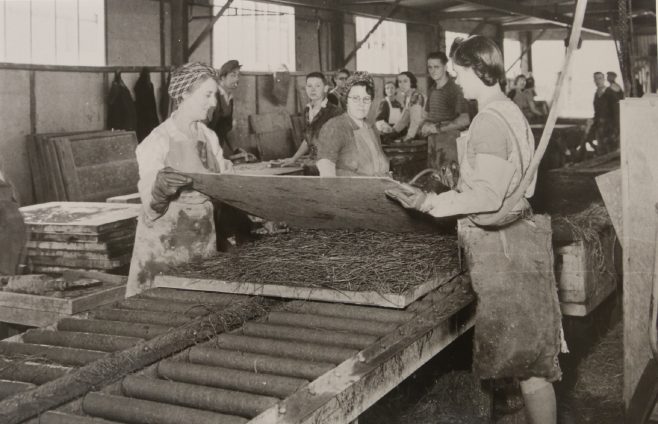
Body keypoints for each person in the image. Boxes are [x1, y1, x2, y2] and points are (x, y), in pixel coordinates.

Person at [386, 36, 563, 424]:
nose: (455, 78)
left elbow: (486, 195)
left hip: (505, 246)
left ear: (478, 70)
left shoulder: (488, 120)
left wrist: (430, 202)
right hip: (520, 232)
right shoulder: (510, 110)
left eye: (459, 70)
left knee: (529, 364)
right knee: (528, 362)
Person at [126, 62, 233, 297]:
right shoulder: (157, 141)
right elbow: (150, 209)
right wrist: (159, 191)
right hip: (164, 249)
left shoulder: (209, 137)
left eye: (215, 95)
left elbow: (220, 191)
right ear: (184, 94)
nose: (214, 103)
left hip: (202, 244)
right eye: (207, 95)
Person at [316, 71, 390, 177]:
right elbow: (327, 174)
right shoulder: (335, 127)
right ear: (346, 100)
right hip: (348, 192)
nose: (361, 104)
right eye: (355, 98)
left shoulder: (371, 127)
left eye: (366, 99)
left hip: (376, 190)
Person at [281, 72, 342, 166]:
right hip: (313, 163)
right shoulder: (307, 110)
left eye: (317, 86)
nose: (313, 90)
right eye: (309, 86)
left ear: (325, 88)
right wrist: (293, 159)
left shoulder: (335, 112)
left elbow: (339, 144)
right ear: (305, 88)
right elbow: (308, 139)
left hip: (330, 165)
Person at [420, 51, 470, 136]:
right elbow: (428, 116)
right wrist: (425, 124)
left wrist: (438, 128)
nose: (433, 71)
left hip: (450, 142)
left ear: (445, 67)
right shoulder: (432, 89)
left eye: (436, 67)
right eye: (430, 67)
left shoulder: (455, 89)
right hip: (434, 142)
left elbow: (465, 119)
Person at [208, 59, 241, 157]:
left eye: (238, 75)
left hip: (217, 150)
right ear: (222, 78)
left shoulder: (229, 98)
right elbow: (202, 128)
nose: (236, 79)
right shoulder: (212, 96)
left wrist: (236, 150)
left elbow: (227, 129)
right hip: (205, 149)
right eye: (232, 75)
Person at [582, 71, 618, 155]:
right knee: (601, 150)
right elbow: (597, 112)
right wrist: (592, 121)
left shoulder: (610, 93)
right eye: (596, 79)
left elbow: (616, 112)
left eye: (600, 78)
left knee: (610, 151)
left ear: (604, 79)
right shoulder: (596, 94)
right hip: (599, 127)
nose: (598, 81)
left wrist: (616, 130)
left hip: (609, 128)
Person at [391, 71, 426, 142]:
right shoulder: (408, 97)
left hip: (424, 133)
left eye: (405, 81)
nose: (402, 84)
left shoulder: (416, 96)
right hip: (417, 132)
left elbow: (415, 121)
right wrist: (393, 131)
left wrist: (408, 137)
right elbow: (404, 119)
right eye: (400, 82)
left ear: (411, 82)